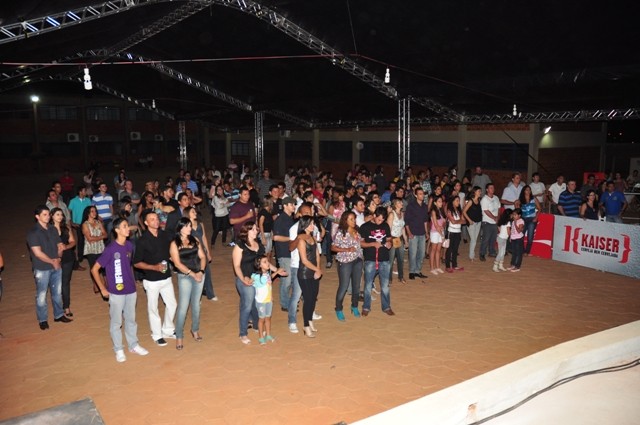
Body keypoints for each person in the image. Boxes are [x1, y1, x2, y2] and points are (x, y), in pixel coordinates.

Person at [91, 218, 149, 362]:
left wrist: (133, 282)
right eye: (124, 226)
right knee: (116, 322)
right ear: (117, 230)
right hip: (116, 292)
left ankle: (133, 345)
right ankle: (118, 349)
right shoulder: (110, 249)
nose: (128, 228)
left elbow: (128, 265)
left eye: (127, 226)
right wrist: (103, 289)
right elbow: (95, 269)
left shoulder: (129, 245)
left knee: (131, 319)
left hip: (130, 290)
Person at [133, 211, 177, 346]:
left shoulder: (165, 235)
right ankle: (157, 335)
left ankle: (168, 330)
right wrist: (154, 267)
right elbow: (136, 263)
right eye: (152, 219)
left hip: (166, 277)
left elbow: (170, 251)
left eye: (157, 218)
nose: (156, 221)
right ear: (146, 223)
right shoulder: (142, 240)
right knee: (153, 308)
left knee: (172, 304)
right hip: (151, 280)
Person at [26, 205, 73, 330]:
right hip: (42, 267)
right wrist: (53, 261)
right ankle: (43, 319)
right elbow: (37, 253)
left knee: (57, 293)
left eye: (48, 214)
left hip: (56, 265)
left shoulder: (52, 229)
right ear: (37, 216)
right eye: (44, 215)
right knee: (41, 295)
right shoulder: (33, 232)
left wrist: (59, 258)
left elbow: (60, 245)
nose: (48, 217)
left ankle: (58, 315)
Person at [170, 218, 207, 351]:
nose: (189, 228)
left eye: (190, 226)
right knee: (183, 306)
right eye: (186, 226)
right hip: (185, 276)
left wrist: (201, 271)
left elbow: (202, 257)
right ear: (180, 228)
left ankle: (195, 329)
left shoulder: (194, 240)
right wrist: (193, 274)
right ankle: (179, 335)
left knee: (196, 304)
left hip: (199, 274)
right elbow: (177, 263)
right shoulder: (174, 243)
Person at [232, 221, 267, 344]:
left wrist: (276, 270)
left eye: (256, 229)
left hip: (257, 279)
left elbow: (264, 263)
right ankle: (243, 333)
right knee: (246, 306)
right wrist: (244, 279)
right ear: (246, 231)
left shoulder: (259, 245)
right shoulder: (240, 245)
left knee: (257, 304)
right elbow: (236, 266)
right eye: (252, 229)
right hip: (244, 279)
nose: (255, 231)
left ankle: (257, 326)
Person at [358, 207, 394, 316]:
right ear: (374, 215)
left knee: (385, 285)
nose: (380, 222)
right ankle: (366, 307)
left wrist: (389, 243)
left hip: (384, 259)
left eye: (382, 220)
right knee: (368, 284)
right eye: (379, 219)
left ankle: (386, 307)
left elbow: (389, 238)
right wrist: (373, 244)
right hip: (370, 259)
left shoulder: (385, 225)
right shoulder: (365, 227)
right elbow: (360, 243)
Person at [331, 211, 363, 321]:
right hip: (345, 262)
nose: (354, 221)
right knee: (344, 286)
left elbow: (360, 244)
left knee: (356, 286)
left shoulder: (356, 230)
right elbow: (333, 247)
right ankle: (338, 309)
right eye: (351, 219)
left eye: (354, 219)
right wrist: (347, 249)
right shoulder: (341, 232)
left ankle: (354, 306)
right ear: (345, 220)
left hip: (357, 260)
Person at [297, 215, 323, 336]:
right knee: (308, 299)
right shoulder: (301, 240)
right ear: (304, 225)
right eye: (311, 224)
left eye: (313, 223)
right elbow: (304, 260)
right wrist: (317, 270)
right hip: (304, 273)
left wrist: (318, 269)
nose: (313, 226)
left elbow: (317, 255)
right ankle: (305, 325)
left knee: (313, 297)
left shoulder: (312, 237)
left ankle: (310, 320)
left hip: (313, 272)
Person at [251, 255, 285, 345]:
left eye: (267, 261)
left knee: (268, 318)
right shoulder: (256, 276)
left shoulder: (267, 274)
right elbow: (263, 282)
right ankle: (261, 337)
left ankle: (268, 334)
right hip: (261, 302)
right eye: (265, 262)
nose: (268, 263)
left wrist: (271, 297)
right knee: (261, 319)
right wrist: (277, 271)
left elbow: (269, 285)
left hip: (268, 300)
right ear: (259, 265)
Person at [185, 206, 217, 301]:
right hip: (193, 253)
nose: (195, 213)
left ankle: (210, 294)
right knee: (196, 273)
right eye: (193, 212)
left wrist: (208, 252)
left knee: (207, 272)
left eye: (195, 211)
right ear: (187, 214)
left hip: (202, 250)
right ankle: (197, 297)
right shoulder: (185, 226)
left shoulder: (200, 223)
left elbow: (204, 237)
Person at [50, 208, 76, 318]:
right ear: (52, 216)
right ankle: (58, 308)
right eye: (57, 214)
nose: (60, 216)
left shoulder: (66, 228)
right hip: (54, 258)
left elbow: (73, 242)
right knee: (56, 284)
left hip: (68, 257)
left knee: (65, 283)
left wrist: (66, 246)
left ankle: (66, 307)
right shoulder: (48, 229)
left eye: (61, 214)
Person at [272, 197, 296, 313]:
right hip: (283, 253)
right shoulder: (280, 219)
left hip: (290, 252)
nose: (294, 207)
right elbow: (276, 237)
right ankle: (285, 304)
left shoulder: (290, 219)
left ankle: (289, 302)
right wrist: (291, 239)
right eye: (291, 204)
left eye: (294, 204)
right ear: (285, 206)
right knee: (286, 279)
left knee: (290, 279)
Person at [404, 187, 429, 280]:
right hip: (413, 232)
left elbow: (425, 221)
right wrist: (409, 232)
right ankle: (412, 271)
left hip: (422, 232)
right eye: (420, 194)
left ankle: (417, 271)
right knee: (413, 253)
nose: (422, 195)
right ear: (415, 195)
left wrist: (426, 232)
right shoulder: (411, 206)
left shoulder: (425, 206)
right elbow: (406, 221)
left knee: (422, 254)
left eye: (423, 194)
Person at [81, 205, 107, 294]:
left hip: (101, 248)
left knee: (103, 266)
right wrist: (100, 237)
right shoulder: (85, 224)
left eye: (95, 211)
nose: (94, 213)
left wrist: (95, 238)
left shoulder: (98, 222)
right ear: (88, 213)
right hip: (91, 249)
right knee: (93, 267)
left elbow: (105, 234)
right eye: (92, 211)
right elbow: (89, 239)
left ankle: (106, 283)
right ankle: (95, 284)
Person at [387, 198, 408, 284]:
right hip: (393, 238)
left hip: (399, 238)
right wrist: (388, 240)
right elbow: (388, 229)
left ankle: (401, 276)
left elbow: (402, 228)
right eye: (399, 202)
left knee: (401, 259)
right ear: (395, 205)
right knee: (391, 260)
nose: (401, 203)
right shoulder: (392, 214)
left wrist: (405, 240)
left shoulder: (402, 214)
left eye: (401, 202)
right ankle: (389, 278)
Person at [479, 183, 500, 261]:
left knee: (493, 238)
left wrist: (498, 217)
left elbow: (498, 208)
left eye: (493, 188)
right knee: (486, 238)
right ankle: (482, 253)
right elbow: (486, 210)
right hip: (487, 222)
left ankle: (492, 252)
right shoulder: (484, 199)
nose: (492, 189)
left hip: (494, 222)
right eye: (491, 188)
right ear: (487, 190)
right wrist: (494, 217)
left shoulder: (496, 198)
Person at [519, 185, 542, 255]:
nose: (528, 191)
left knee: (530, 236)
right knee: (520, 236)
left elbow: (539, 208)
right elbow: (518, 210)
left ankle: (527, 251)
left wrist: (536, 217)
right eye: (526, 190)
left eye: (529, 190)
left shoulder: (534, 199)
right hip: (523, 219)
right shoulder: (520, 200)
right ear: (524, 191)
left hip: (532, 219)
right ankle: (522, 250)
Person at [444, 196, 465, 272]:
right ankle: (447, 266)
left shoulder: (458, 210)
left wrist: (458, 221)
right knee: (449, 249)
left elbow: (464, 221)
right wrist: (460, 221)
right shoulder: (449, 210)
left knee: (455, 249)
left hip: (458, 232)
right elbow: (453, 221)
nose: (458, 202)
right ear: (452, 201)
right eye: (457, 200)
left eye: (459, 200)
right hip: (451, 232)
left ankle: (454, 265)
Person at [462, 186, 482, 261]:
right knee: (473, 239)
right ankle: (471, 256)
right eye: (479, 191)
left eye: (480, 191)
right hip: (471, 223)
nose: (480, 192)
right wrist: (469, 220)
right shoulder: (471, 201)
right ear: (475, 192)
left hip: (478, 222)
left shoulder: (479, 200)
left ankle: (472, 255)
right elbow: (464, 211)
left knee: (474, 239)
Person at [429, 196, 446, 275]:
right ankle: (432, 268)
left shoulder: (441, 211)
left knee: (439, 250)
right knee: (433, 250)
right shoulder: (433, 211)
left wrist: (442, 228)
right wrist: (442, 235)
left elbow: (443, 223)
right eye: (439, 201)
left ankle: (438, 267)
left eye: (441, 201)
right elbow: (436, 225)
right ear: (435, 203)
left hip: (440, 232)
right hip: (435, 233)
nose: (441, 203)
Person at [258, 196, 275, 262]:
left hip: (269, 233)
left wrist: (272, 233)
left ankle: (268, 267)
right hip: (264, 234)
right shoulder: (263, 212)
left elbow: (270, 224)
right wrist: (263, 237)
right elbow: (260, 224)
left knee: (269, 253)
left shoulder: (269, 212)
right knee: (265, 254)